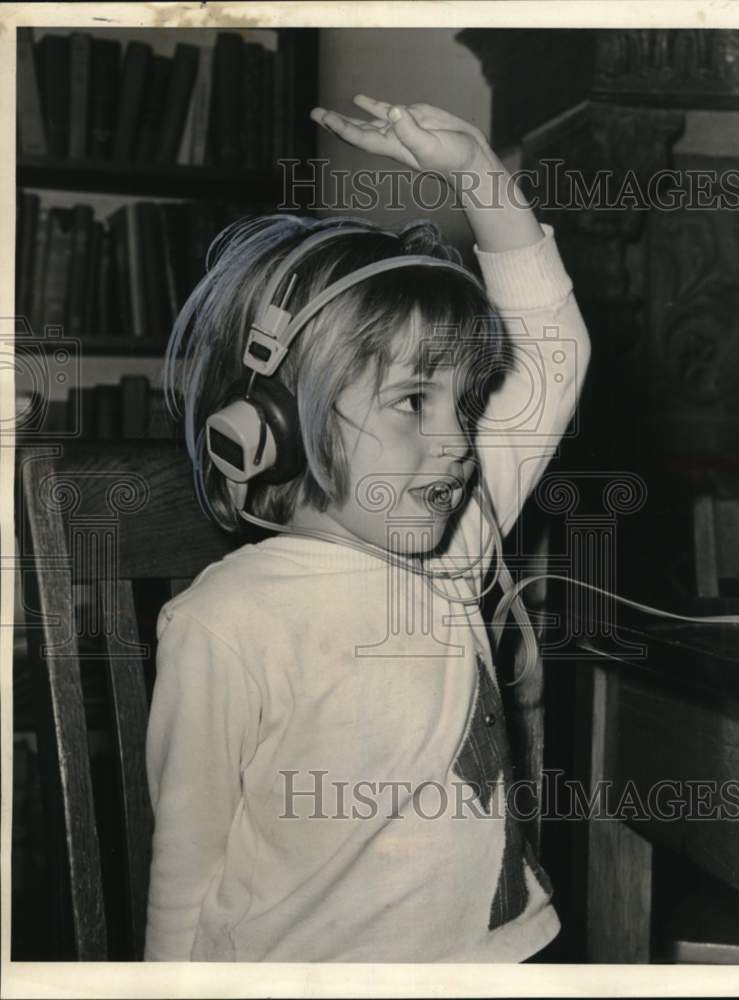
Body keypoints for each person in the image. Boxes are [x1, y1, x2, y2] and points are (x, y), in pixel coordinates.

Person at [144, 94, 591, 962]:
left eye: (462, 404)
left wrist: (477, 176)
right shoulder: (226, 621)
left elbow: (551, 349)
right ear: (268, 422)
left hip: (501, 959)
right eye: (412, 402)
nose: (458, 442)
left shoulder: (455, 531)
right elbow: (184, 874)